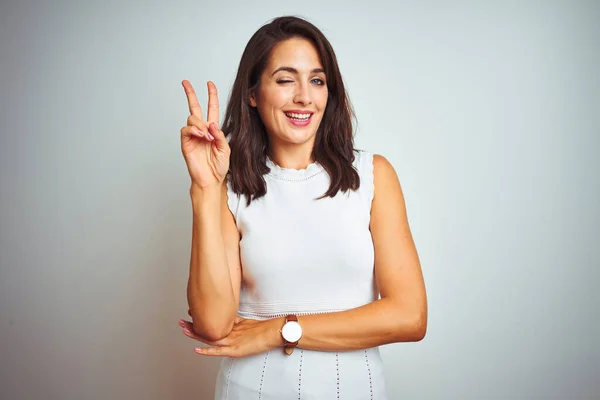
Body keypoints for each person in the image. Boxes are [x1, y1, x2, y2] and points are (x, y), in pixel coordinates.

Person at [177, 15, 427, 400]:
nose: (304, 97)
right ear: (253, 93)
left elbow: (410, 316)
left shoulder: (373, 176)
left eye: (316, 80)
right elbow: (212, 323)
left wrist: (279, 329)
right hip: (250, 389)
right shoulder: (230, 188)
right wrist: (205, 189)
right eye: (284, 79)